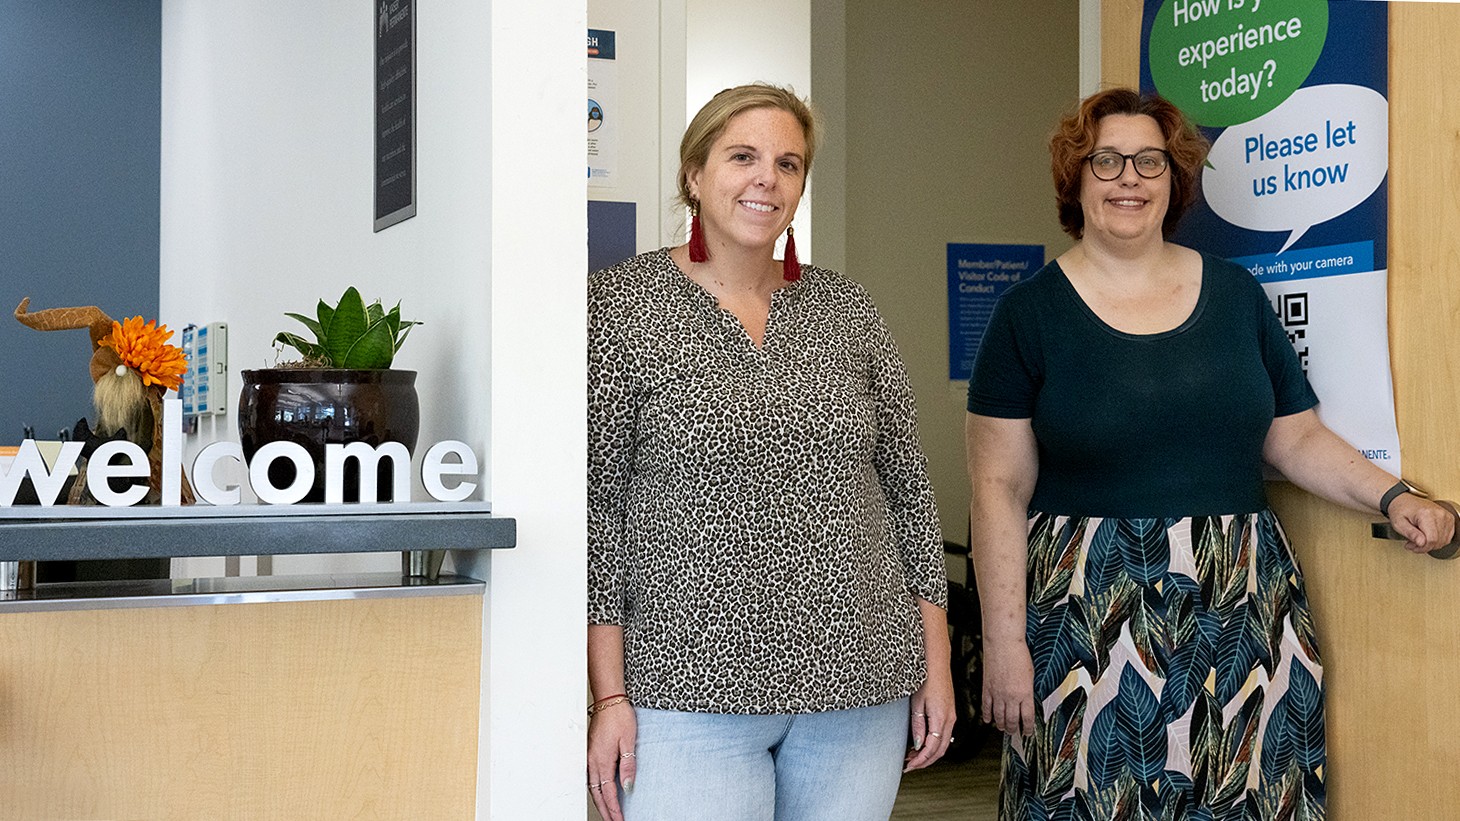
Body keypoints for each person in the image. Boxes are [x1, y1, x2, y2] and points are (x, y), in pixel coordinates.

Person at [964, 88, 1454, 820]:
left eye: (1150, 161)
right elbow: (997, 487)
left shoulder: (1235, 295)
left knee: (1247, 796)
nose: (1129, 177)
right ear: (1076, 178)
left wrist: (1396, 496)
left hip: (1243, 603)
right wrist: (1004, 643)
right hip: (1087, 614)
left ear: (1174, 180)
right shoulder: (1028, 313)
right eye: (1107, 160)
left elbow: (1294, 438)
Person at [587, 83, 954, 821]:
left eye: (788, 163)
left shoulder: (848, 309)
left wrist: (936, 663)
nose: (767, 179)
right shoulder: (620, 305)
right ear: (694, 175)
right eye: (743, 156)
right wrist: (609, 694)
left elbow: (909, 491)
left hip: (861, 678)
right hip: (685, 686)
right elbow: (599, 507)